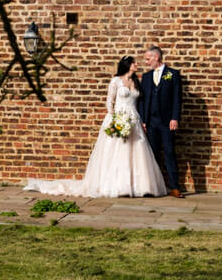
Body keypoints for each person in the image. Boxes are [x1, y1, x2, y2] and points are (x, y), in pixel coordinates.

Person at [24, 56, 168, 198]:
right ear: (127, 65)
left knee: (136, 153)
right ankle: (118, 186)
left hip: (134, 119)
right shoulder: (116, 81)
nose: (137, 64)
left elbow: (138, 102)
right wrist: (115, 120)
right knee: (117, 152)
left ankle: (138, 186)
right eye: (134, 63)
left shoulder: (136, 81)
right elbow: (109, 102)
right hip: (118, 118)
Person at [137, 43, 184, 197]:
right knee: (153, 154)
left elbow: (177, 98)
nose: (146, 62)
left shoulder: (173, 74)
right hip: (151, 122)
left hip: (166, 121)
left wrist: (174, 118)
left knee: (169, 152)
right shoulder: (146, 77)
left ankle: (175, 187)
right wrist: (143, 120)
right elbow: (142, 100)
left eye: (148, 59)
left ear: (157, 57)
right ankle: (154, 187)